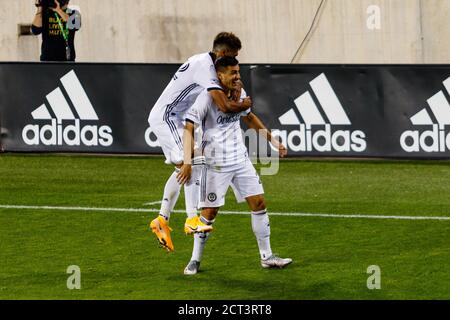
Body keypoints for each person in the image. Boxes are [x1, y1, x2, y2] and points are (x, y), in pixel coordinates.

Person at [178, 57, 292, 275]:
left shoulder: (238, 92)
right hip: (216, 165)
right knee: (209, 214)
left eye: (238, 72)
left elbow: (249, 118)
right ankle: (195, 259)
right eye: (233, 72)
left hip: (240, 160)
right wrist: (187, 161)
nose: (237, 76)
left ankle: (267, 257)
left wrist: (272, 140)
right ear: (219, 75)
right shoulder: (206, 98)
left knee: (259, 203)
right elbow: (188, 128)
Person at [148, 32, 252, 252]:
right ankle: (191, 219)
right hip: (168, 117)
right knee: (193, 160)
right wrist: (244, 104)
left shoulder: (205, 63)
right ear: (222, 54)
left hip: (178, 118)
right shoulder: (205, 67)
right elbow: (223, 105)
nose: (234, 62)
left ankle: (161, 219)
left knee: (189, 164)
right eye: (232, 56)